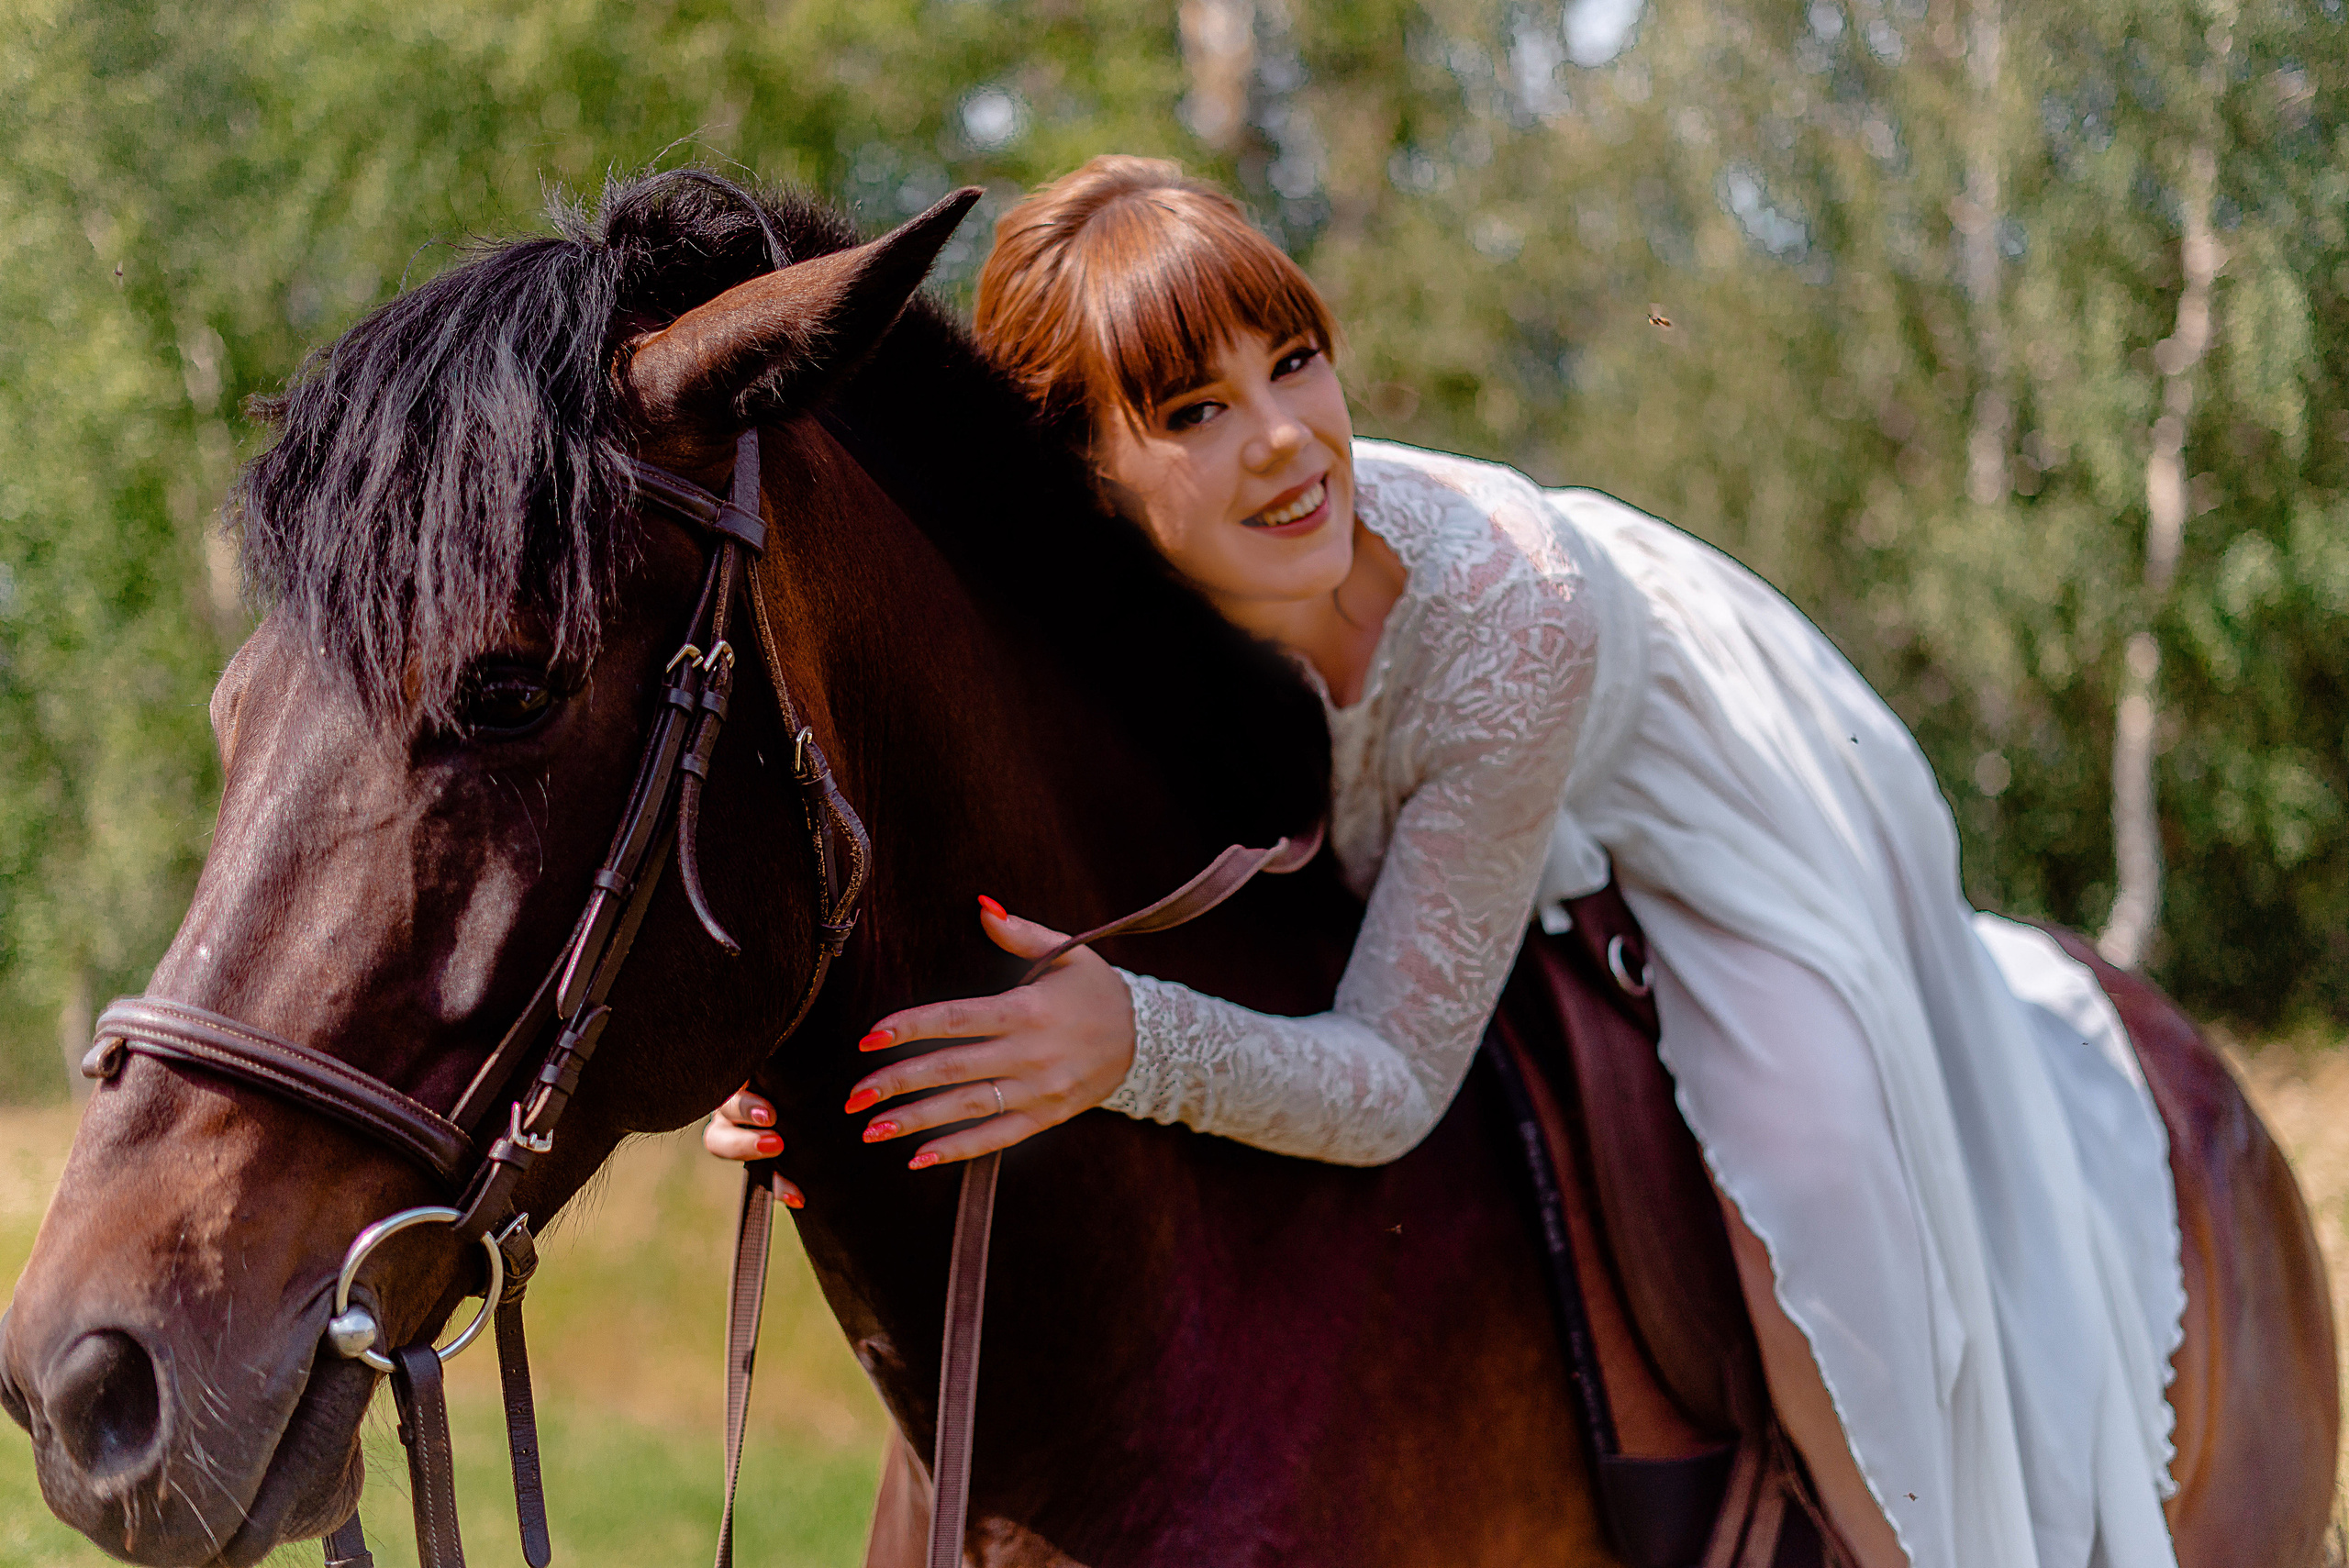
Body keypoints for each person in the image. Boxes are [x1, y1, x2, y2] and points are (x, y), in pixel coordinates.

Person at [706, 156, 2185, 1568]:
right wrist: (809, 1080)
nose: (1287, 438)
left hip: (1691, 778)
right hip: (1431, 774)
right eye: (1195, 409)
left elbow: (1399, 1078)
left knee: (1817, 1165)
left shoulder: (1507, 617)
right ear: (1085, 474)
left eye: (1295, 361)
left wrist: (1133, 1041)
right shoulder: (1096, 613)